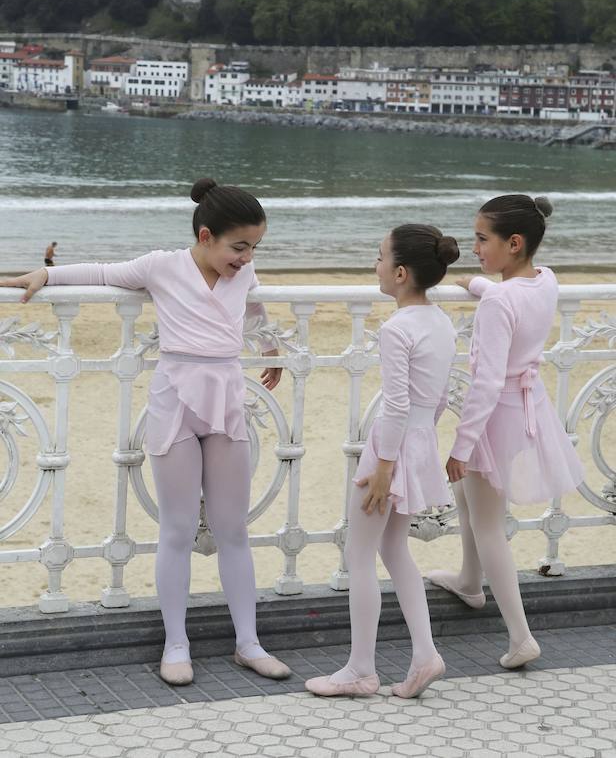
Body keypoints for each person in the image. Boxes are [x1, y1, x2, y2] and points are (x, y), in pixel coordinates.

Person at [0, 178, 291, 686]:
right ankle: (176, 643)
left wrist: (270, 347)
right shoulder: (162, 266)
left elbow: (254, 306)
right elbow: (103, 271)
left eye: (254, 248)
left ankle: (249, 642)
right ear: (205, 236)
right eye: (239, 247)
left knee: (233, 530)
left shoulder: (243, 272)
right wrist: (44, 273)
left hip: (226, 401)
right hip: (175, 402)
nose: (246, 258)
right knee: (177, 529)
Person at [428, 194, 585, 670]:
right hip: (527, 405)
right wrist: (479, 284)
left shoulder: (499, 301)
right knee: (471, 503)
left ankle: (521, 636)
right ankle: (469, 581)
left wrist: (462, 443)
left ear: (513, 243)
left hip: (496, 413)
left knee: (488, 522)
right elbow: (505, 293)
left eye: (482, 239)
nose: (474, 247)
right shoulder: (545, 280)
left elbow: (487, 381)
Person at [305, 224, 460, 698]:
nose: (373, 266)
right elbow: (434, 399)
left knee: (360, 554)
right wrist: (416, 449)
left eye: (378, 258)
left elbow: (394, 405)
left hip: (391, 449)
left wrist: (384, 469)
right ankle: (424, 654)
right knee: (396, 550)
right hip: (421, 441)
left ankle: (360, 670)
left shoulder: (397, 328)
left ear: (399, 272)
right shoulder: (441, 321)